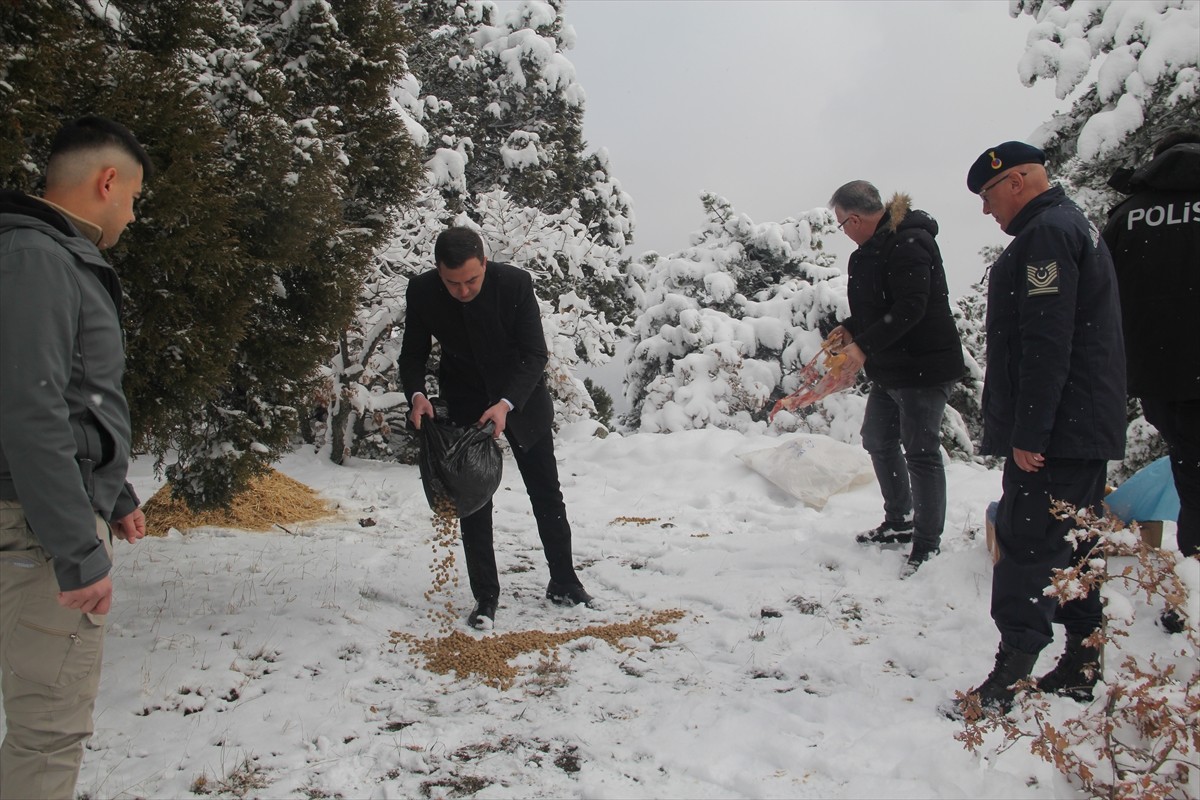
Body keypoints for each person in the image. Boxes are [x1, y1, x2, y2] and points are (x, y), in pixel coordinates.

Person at [0, 115, 151, 799]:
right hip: (34, 528)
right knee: (48, 730)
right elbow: (30, 407)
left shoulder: (40, 253)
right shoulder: (37, 256)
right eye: (135, 197)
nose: (132, 212)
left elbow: (71, 393)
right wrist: (74, 547)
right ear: (107, 180)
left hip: (45, 508)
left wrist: (111, 488)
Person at [949, 141, 1127, 718]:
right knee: (1075, 542)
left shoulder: (1047, 235)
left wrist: (1032, 432)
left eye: (987, 195)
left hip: (1059, 429)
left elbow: (1048, 342)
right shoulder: (1070, 224)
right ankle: (1082, 661)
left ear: (1017, 181)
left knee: (1028, 542)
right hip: (1080, 423)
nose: (985, 210)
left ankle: (1011, 673)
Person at [399, 226, 594, 630]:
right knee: (473, 503)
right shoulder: (421, 291)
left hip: (520, 400)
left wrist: (506, 404)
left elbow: (535, 353)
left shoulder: (515, 284)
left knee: (546, 493)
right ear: (438, 272)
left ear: (485, 263)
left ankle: (564, 581)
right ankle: (486, 597)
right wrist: (417, 395)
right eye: (453, 283)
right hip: (466, 405)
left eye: (472, 279)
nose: (464, 290)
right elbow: (412, 355)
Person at [827, 181, 965, 578]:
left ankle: (926, 542)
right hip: (891, 368)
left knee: (921, 452)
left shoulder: (909, 243)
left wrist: (863, 347)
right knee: (877, 438)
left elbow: (911, 307)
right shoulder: (866, 253)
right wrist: (850, 330)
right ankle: (900, 519)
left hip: (924, 367)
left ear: (855, 218)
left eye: (841, 223)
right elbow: (877, 306)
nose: (843, 230)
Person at [1102, 129, 1200, 634]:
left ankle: (1193, 589)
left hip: (1161, 375)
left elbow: (1102, 294)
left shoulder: (1128, 216)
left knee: (1191, 476)